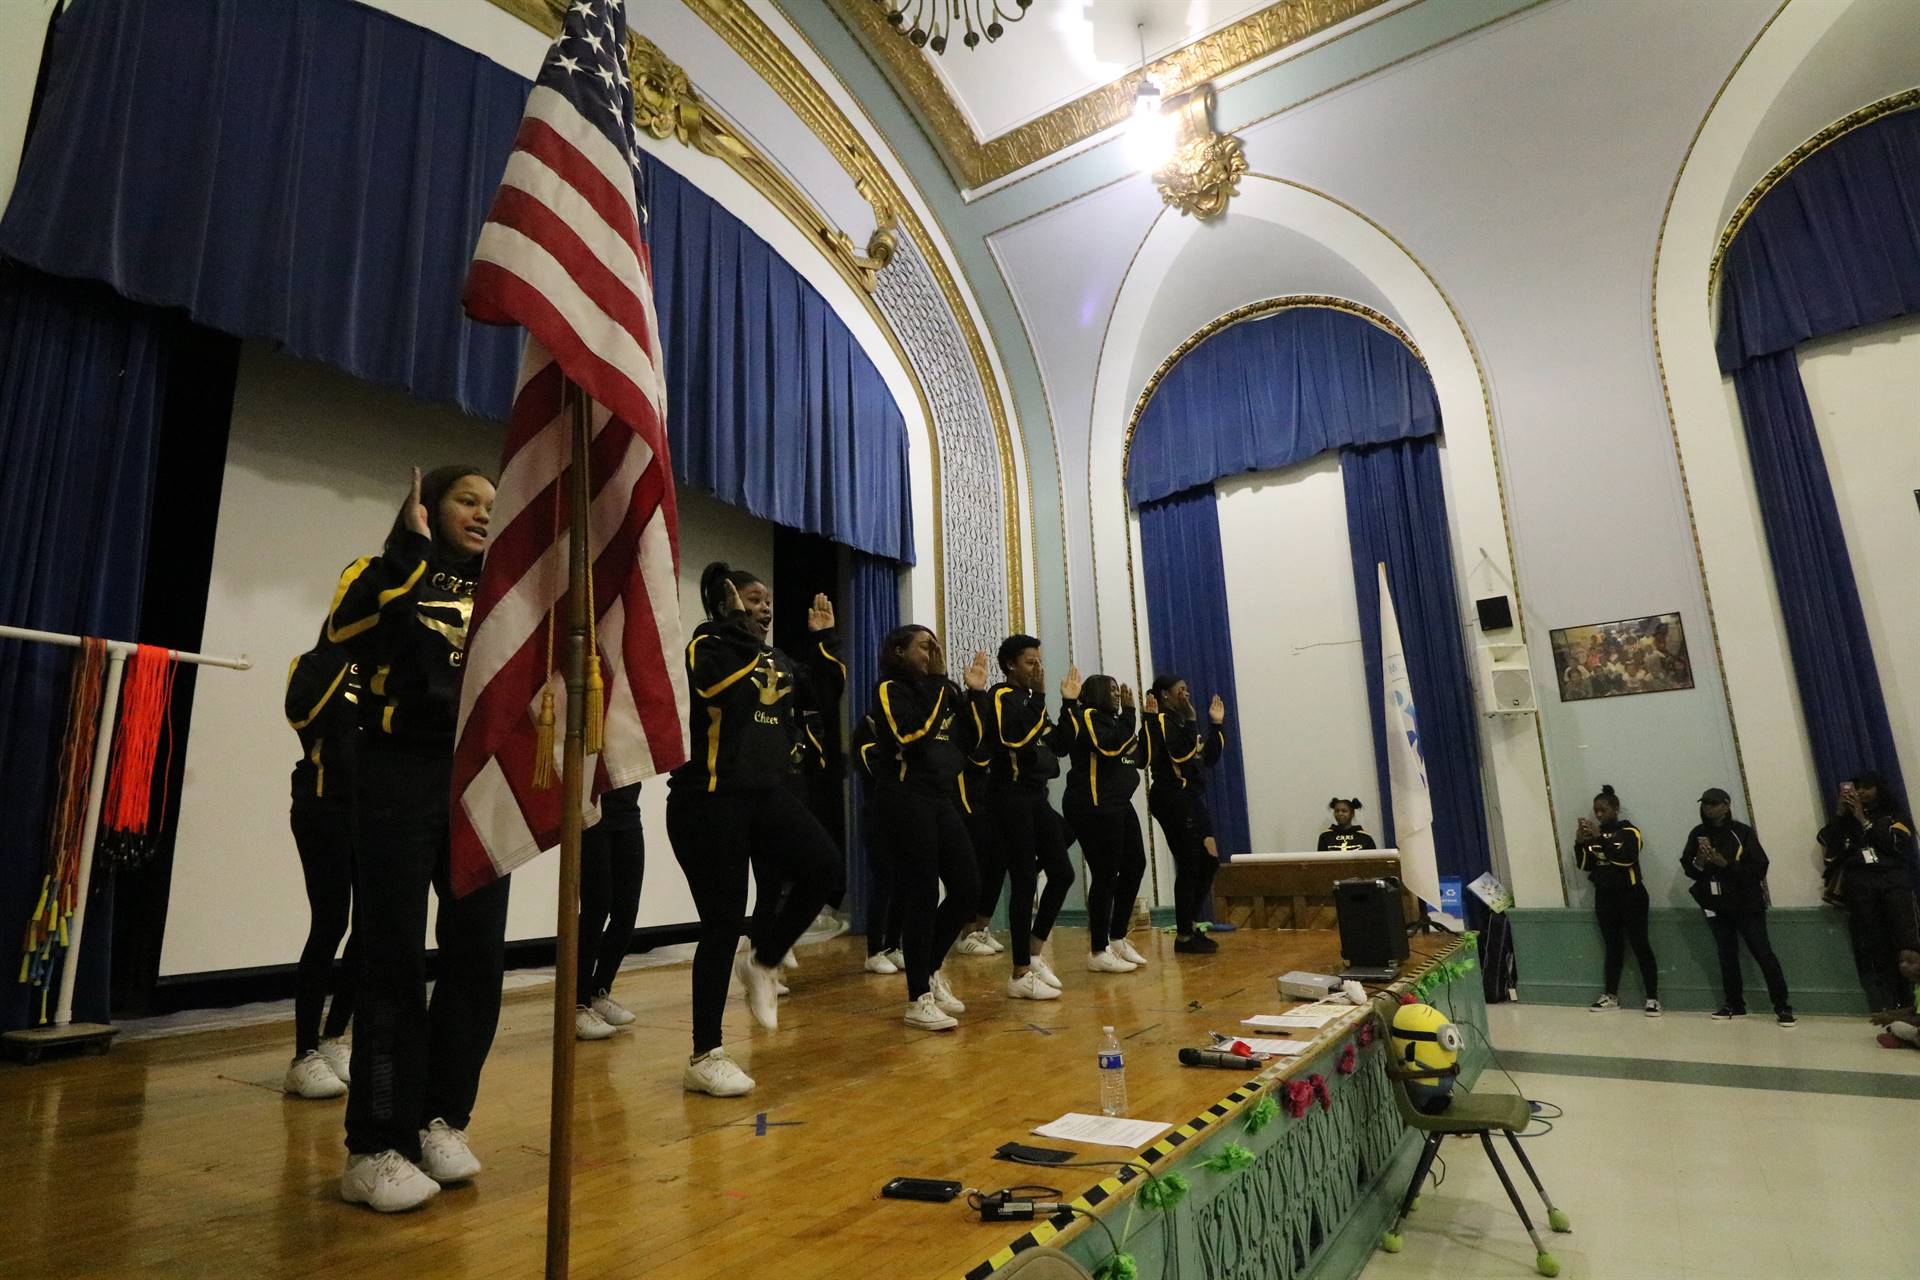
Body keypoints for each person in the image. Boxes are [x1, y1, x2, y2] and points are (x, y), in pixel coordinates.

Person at [330, 465, 507, 1213]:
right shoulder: (376, 572)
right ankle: (374, 1145)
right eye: (468, 500)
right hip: (399, 773)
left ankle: (440, 1117)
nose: (483, 514)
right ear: (428, 504)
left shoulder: (506, 592)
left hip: (478, 782)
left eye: (492, 505)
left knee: (477, 956)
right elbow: (345, 632)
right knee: (392, 959)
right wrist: (410, 548)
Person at [666, 564, 844, 1097]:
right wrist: (734, 626)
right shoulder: (707, 646)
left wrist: (823, 642)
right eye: (750, 599)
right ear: (724, 604)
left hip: (763, 795)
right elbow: (719, 688)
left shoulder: (775, 657)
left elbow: (820, 696)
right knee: (721, 923)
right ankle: (705, 1054)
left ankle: (763, 961)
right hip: (708, 798)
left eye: (767, 601)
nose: (763, 607)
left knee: (825, 867)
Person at [869, 626, 986, 1030]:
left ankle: (931, 970)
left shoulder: (943, 690)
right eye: (925, 645)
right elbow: (912, 736)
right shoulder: (890, 689)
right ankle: (917, 997)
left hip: (939, 798)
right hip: (903, 798)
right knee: (921, 894)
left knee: (969, 887)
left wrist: (974, 695)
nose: (933, 651)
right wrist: (939, 682)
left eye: (935, 645)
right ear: (899, 651)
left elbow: (971, 743)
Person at [975, 634, 1077, 994]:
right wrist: (1041, 698)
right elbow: (1013, 737)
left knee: (1063, 873)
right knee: (1024, 881)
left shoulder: (1035, 703)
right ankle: (1019, 973)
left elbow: (1059, 745)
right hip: (1009, 797)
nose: (1037, 668)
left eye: (1038, 661)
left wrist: (1068, 704)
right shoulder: (1001, 697)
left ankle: (1033, 951)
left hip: (1036, 796)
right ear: (1010, 666)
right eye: (1030, 662)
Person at [282, 637, 360, 1100]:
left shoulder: (389, 664)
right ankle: (303, 1053)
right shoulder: (311, 663)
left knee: (368, 928)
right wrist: (350, 659)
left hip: (373, 810)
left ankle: (334, 1037)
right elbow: (305, 714)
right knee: (330, 922)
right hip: (321, 806)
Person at [1681, 787, 1793, 1026]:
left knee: (1763, 953)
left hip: (1746, 904)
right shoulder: (1698, 833)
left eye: (1713, 803)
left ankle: (1782, 1007)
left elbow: (1759, 867)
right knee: (1726, 955)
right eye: (1704, 804)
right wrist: (1700, 861)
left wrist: (1726, 864)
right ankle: (1734, 1003)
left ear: (1726, 805)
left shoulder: (1741, 832)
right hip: (1715, 904)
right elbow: (1690, 869)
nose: (1707, 808)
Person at [1063, 674, 1150, 976]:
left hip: (1119, 802)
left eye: (1118, 690)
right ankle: (1098, 949)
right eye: (1111, 690)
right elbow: (1109, 748)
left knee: (1135, 865)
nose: (1116, 694)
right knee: (1105, 874)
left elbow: (1139, 757)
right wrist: (1129, 716)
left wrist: (1143, 719)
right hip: (1094, 804)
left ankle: (1118, 936)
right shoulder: (1086, 715)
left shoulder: (1115, 722)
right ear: (1096, 692)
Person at [1820, 771, 1919, 1017]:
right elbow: (1828, 844)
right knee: (1875, 947)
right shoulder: (1846, 820)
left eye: (1866, 788)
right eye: (1856, 788)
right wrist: (1842, 815)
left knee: (1906, 945)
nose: (1861, 793)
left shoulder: (1894, 816)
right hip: (1861, 889)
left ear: (1879, 789)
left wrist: (1864, 820)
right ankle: (1887, 1003)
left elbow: (1897, 845)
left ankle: (1912, 1001)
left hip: (1892, 886)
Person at [1144, 675, 1228, 954]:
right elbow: (1180, 756)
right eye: (1181, 690)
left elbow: (1208, 757)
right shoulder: (1163, 722)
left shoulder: (1183, 723)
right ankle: (1183, 935)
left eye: (1188, 689)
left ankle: (1190, 925)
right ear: (1165, 696)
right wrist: (1193, 720)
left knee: (1209, 860)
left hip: (1189, 797)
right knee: (1191, 862)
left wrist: (1216, 724)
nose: (1187, 694)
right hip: (1171, 798)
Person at [1572, 784, 1660, 1016]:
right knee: (1613, 947)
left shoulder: (1630, 832)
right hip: (1605, 897)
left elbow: (1626, 860)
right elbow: (1584, 865)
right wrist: (1580, 842)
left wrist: (1601, 838)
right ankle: (1611, 995)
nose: (1599, 815)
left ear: (1615, 809)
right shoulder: (1593, 836)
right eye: (1596, 811)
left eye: (1603, 810)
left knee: (1640, 945)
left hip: (1632, 896)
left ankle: (1652, 998)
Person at [572, 781, 644, 1041]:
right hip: (591, 814)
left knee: (627, 911)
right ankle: (577, 1004)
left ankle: (598, 989)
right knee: (595, 908)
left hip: (628, 812)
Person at [850, 713, 907, 974]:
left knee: (903, 881)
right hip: (877, 814)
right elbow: (875, 768)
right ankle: (874, 950)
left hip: (903, 813)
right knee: (883, 880)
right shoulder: (867, 730)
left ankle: (894, 945)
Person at [1873, 949, 1920, 1048]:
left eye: (1911, 962)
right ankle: (1908, 1041)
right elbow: (1916, 1010)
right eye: (1901, 961)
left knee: (1896, 1025)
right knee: (1895, 1027)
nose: (1903, 965)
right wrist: (1891, 1014)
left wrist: (1892, 1018)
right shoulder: (1917, 986)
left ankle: (1908, 1041)